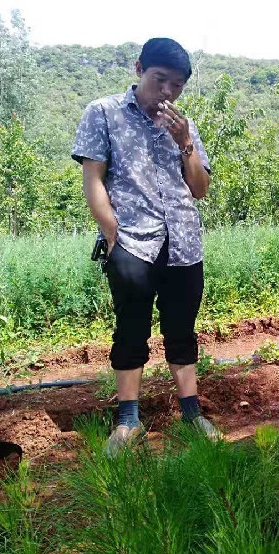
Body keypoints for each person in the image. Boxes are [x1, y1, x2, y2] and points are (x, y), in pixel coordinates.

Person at [72, 38, 217, 457]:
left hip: (184, 242)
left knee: (181, 329)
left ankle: (192, 412)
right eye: (160, 80)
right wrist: (113, 234)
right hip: (132, 242)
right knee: (131, 329)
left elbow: (200, 188)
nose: (168, 92)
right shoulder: (104, 112)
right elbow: (94, 179)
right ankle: (128, 421)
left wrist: (185, 142)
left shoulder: (184, 126)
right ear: (139, 69)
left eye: (178, 85)